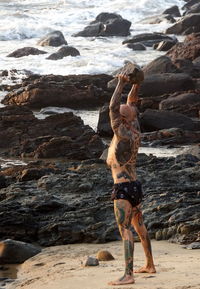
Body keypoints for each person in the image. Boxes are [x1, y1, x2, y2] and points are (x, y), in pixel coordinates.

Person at [107, 71, 156, 286]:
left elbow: (112, 107)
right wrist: (136, 84)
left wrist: (120, 83)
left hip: (123, 188)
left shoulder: (121, 132)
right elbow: (131, 102)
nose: (117, 114)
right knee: (139, 227)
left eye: (120, 114)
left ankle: (128, 275)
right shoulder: (134, 128)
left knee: (125, 230)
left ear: (123, 119)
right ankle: (150, 265)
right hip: (135, 185)